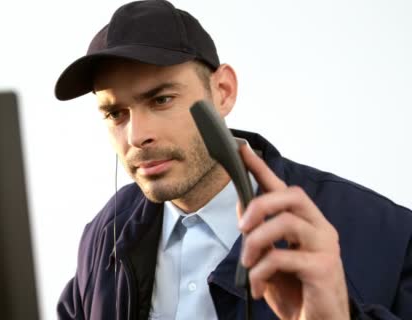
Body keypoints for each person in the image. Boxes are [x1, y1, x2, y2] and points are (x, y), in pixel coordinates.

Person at [53, 1, 412, 319]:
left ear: (222, 92)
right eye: (116, 114)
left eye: (161, 100)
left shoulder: (387, 235)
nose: (136, 136)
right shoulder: (104, 235)